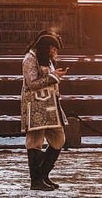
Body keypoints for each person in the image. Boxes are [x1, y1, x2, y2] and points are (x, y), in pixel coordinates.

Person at [21, 31, 68, 191]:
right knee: (35, 142)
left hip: (50, 106)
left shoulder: (45, 59)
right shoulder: (30, 59)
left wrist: (55, 76)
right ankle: (36, 180)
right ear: (45, 47)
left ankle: (43, 174)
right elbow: (32, 83)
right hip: (35, 106)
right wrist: (53, 77)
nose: (54, 52)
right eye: (53, 48)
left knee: (58, 138)